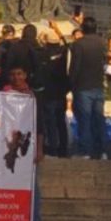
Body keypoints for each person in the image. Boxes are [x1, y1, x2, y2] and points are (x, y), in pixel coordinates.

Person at [3, 63, 43, 221]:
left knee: (33, 189)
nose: (16, 77)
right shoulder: (2, 96)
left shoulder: (33, 97)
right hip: (7, 148)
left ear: (25, 75)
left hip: (28, 148)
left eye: (19, 74)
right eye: (13, 74)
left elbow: (40, 126)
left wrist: (39, 149)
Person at [69, 17, 107, 160]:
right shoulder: (102, 43)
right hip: (98, 85)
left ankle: (85, 150)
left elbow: (75, 67)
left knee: (84, 119)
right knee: (99, 118)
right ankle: (102, 150)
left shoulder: (78, 44)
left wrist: (72, 83)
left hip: (83, 86)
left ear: (83, 29)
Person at [36, 28, 69, 158]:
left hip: (49, 92)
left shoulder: (43, 54)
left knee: (50, 122)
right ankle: (63, 148)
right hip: (61, 92)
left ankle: (52, 147)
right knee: (61, 121)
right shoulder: (64, 52)